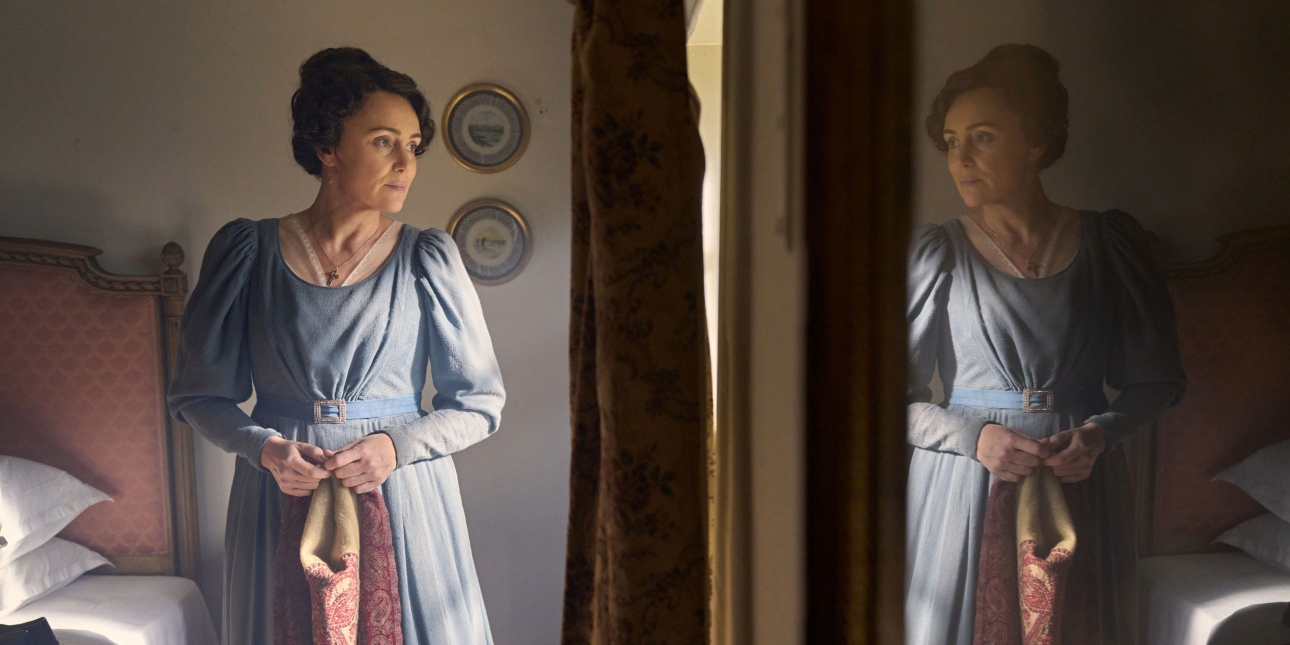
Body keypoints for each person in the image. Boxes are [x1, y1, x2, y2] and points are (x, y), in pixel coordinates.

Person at [168, 47, 505, 644]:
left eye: (412, 145)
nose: (406, 163)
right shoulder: (247, 253)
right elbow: (198, 395)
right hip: (279, 497)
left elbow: (479, 403)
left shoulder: (427, 258)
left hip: (401, 498)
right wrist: (265, 449)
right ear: (327, 148)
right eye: (383, 141)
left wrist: (397, 447)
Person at [905, 43, 1186, 644]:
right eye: (952, 141)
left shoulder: (1110, 243)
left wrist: (1099, 434)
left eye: (982, 137)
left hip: (1081, 478)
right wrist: (971, 436)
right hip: (966, 484)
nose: (961, 159)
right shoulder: (938, 253)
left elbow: (1158, 379)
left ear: (1035, 143)